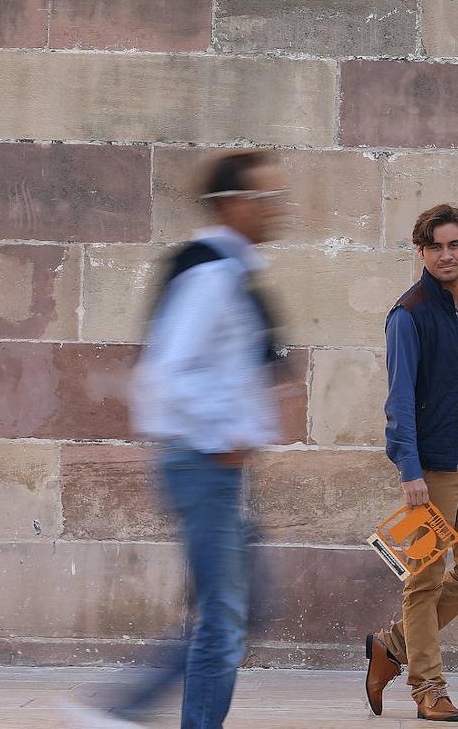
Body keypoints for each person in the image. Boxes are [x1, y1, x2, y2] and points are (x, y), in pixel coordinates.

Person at [66, 151, 291, 729]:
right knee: (224, 616)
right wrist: (225, 436)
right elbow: (166, 373)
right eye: (264, 200)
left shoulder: (232, 271)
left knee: (241, 609)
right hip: (204, 464)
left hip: (221, 469)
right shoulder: (210, 273)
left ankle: (124, 710)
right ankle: (126, 712)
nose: (274, 212)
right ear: (230, 204)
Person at [365, 204, 458, 722]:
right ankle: (428, 689)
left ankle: (392, 644)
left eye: (455, 244)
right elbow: (399, 398)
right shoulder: (409, 312)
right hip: (434, 465)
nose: (446, 255)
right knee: (422, 580)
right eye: (436, 247)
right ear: (421, 251)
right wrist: (410, 471)